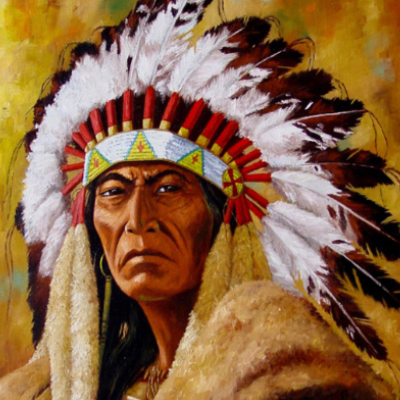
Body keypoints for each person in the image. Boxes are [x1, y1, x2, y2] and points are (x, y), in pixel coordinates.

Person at [0, 0, 399, 399]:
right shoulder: (61, 388)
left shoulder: (286, 365)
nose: (138, 219)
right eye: (114, 192)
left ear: (220, 217)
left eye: (168, 188)